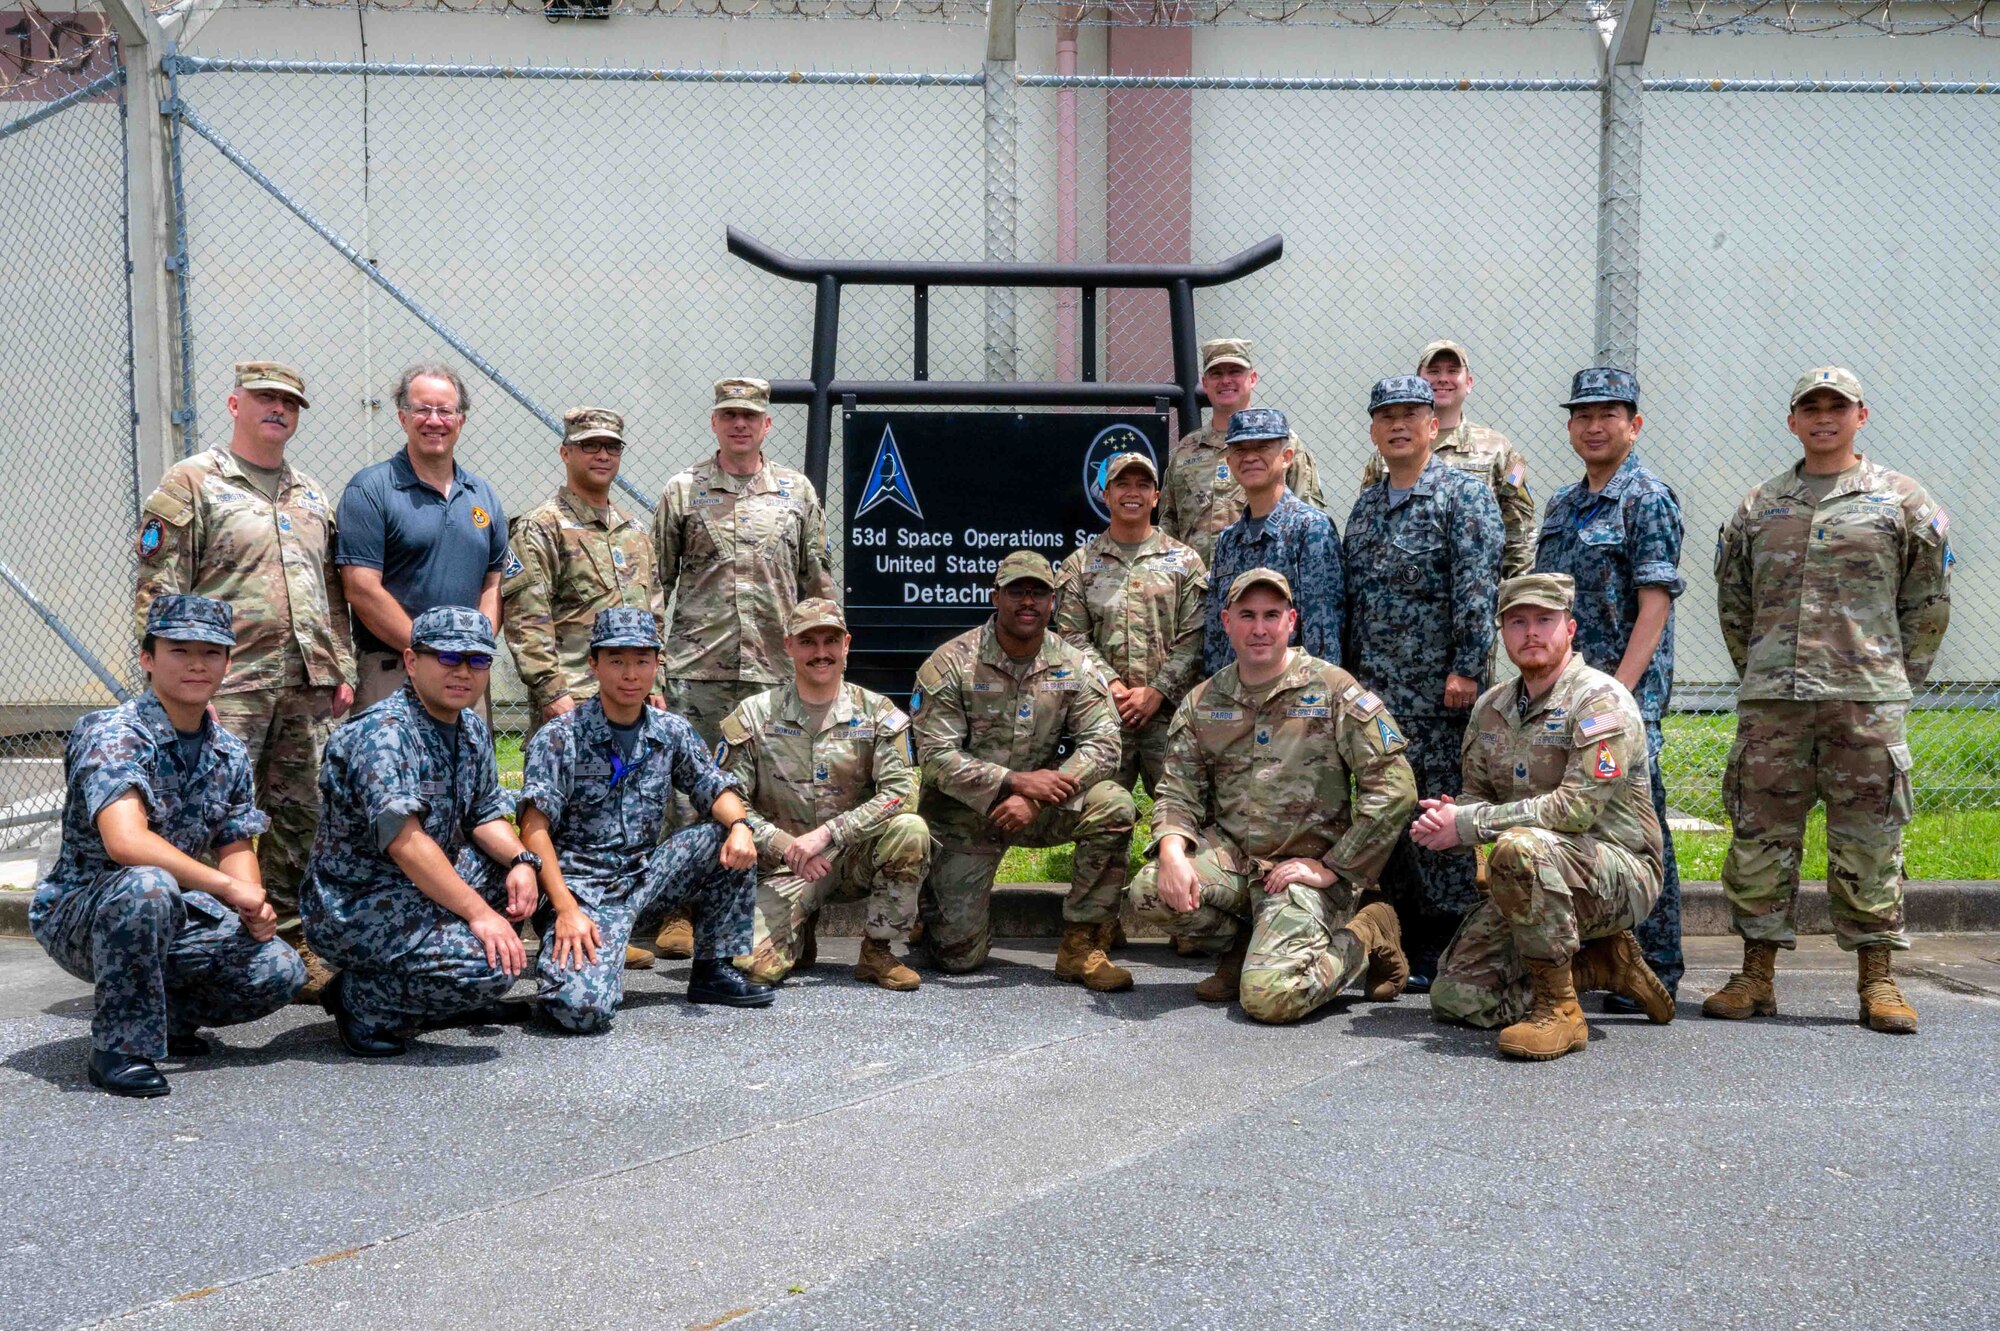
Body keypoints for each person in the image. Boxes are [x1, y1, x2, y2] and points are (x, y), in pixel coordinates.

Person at [1706, 367, 1952, 1034]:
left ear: (1860, 416)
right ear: (1792, 421)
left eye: (1836, 407)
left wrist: (1895, 676)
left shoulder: (1899, 501)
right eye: (1809, 408)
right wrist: (1763, 668)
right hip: (1774, 704)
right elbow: (1735, 600)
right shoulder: (1759, 506)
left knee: (1870, 841)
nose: (1823, 417)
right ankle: (1756, 975)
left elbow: (1927, 602)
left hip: (1863, 701)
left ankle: (1879, 980)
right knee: (1759, 840)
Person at [132, 360, 353, 996]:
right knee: (207, 814)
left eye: (289, 403)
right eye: (265, 399)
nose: (277, 410)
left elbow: (330, 590)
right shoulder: (194, 483)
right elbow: (158, 588)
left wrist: (336, 662)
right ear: (234, 404)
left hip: (304, 681)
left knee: (299, 813)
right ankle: (198, 943)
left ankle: (288, 936)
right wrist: (173, 683)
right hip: (225, 681)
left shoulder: (310, 494)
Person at [30, 596, 304, 1097]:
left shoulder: (228, 751)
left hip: (168, 905)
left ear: (227, 662)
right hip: (84, 910)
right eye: (179, 650)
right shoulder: (113, 733)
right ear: (148, 659)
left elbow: (234, 840)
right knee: (147, 885)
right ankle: (120, 1048)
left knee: (279, 969)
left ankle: (162, 1019)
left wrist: (253, 903)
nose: (197, 664)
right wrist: (224, 887)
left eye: (211, 652)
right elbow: (126, 842)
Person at [1128, 569, 1416, 1021]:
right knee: (1149, 891)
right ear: (1226, 621)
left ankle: (1368, 932)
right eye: (1247, 615)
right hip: (1236, 864)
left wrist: (1335, 867)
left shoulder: (1333, 689)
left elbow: (1395, 786)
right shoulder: (1204, 700)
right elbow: (1177, 791)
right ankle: (1247, 946)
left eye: (1271, 615)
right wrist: (1171, 850)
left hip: (1304, 871)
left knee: (1270, 998)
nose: (1259, 628)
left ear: (1291, 621)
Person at [1424, 574, 1674, 1061]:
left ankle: (1559, 1009)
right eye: (1518, 622)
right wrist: (1447, 825)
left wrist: (1472, 822)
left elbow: (1575, 809)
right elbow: (1477, 799)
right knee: (1457, 999)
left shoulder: (1600, 701)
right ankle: (1600, 966)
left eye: (1544, 620)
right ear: (1503, 633)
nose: (1531, 632)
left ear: (1571, 628)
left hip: (1619, 872)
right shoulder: (1491, 708)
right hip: (1535, 876)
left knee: (1520, 845)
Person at [514, 609, 772, 1033]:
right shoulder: (560, 737)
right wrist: (564, 910)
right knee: (579, 1011)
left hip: (644, 877)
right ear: (594, 664)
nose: (630, 674)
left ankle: (713, 970)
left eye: (641, 661)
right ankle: (575, 970)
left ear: (657, 664)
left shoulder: (670, 730)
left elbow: (713, 786)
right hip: (583, 890)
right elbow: (533, 830)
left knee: (728, 831)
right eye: (616, 660)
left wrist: (742, 828)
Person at [651, 376, 837, 958]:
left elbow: (818, 584)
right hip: (697, 671)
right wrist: (654, 667)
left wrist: (824, 662)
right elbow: (654, 583)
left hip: (776, 673)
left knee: (775, 798)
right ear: (714, 422)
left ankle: (773, 912)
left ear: (766, 425)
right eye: (729, 415)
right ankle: (682, 910)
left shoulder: (796, 493)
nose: (739, 424)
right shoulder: (682, 491)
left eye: (750, 416)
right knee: (689, 796)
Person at [302, 606, 539, 1057]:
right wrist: (479, 915)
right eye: (448, 658)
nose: (464, 672)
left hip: (420, 883)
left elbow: (485, 815)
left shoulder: (468, 726)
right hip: (358, 902)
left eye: (478, 660)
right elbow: (405, 842)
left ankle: (447, 997)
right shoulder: (384, 735)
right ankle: (360, 1000)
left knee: (531, 873)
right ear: (412, 662)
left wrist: (522, 861)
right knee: (487, 968)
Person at [1342, 375, 1504, 990]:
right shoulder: (1367, 504)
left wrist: (1467, 667)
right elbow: (1356, 600)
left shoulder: (1462, 495)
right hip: (1377, 696)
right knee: (1388, 812)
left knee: (1438, 814)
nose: (1399, 425)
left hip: (1439, 695)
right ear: (1375, 430)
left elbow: (1476, 588)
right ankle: (1401, 930)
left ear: (1435, 425)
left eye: (1413, 413)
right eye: (1387, 416)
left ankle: (1450, 938)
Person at [909, 551, 1136, 991]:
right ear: (996, 597)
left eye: (1038, 593)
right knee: (957, 958)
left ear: (1053, 602)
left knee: (1113, 805)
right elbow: (935, 757)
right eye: (1017, 591)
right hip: (966, 815)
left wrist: (1033, 796)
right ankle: (938, 912)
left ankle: (1081, 943)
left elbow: (1105, 743)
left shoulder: (1073, 664)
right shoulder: (951, 663)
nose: (1027, 601)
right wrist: (1011, 782)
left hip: (1040, 806)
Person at [1533, 367, 1687, 1008]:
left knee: (1637, 822)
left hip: (1623, 699)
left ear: (1635, 425)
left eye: (1609, 415)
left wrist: (1618, 697)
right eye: (1583, 416)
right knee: (1576, 819)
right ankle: (1600, 950)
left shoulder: (1646, 497)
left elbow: (1655, 606)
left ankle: (1658, 961)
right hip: (1564, 697)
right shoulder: (1564, 505)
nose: (1595, 426)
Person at [500, 406, 665, 972]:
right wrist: (552, 693)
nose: (601, 455)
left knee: (613, 819)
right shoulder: (541, 526)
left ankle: (608, 921)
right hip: (571, 696)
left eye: (611, 447)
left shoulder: (633, 531)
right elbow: (526, 615)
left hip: (627, 700)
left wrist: (655, 684)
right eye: (590, 446)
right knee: (557, 819)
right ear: (566, 452)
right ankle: (553, 925)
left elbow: (652, 613)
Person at [723, 599, 930, 991]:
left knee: (910, 828)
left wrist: (830, 833)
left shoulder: (876, 712)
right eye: (808, 642)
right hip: (786, 864)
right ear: (788, 646)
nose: (821, 653)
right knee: (751, 966)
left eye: (830, 640)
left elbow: (901, 792)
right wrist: (783, 844)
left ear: (847, 644)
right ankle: (801, 932)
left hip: (854, 855)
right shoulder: (754, 715)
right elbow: (730, 799)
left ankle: (877, 951)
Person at [336, 363, 510, 711]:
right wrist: (429, 650)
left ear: (460, 420)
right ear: (402, 417)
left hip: (465, 677)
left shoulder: (483, 496)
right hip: (395, 671)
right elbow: (361, 587)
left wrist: (472, 648)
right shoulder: (371, 489)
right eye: (422, 409)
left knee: (467, 766)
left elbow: (494, 583)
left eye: (445, 411)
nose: (434, 421)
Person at [1052, 451, 1209, 797]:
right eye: (1121, 484)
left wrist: (1157, 692)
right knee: (1101, 811)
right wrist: (1111, 686)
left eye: (1143, 485)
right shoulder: (1080, 565)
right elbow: (1072, 637)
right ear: (1105, 495)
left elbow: (1195, 636)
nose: (1132, 493)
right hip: (1104, 714)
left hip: (1171, 713)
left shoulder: (1185, 562)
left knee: (1186, 811)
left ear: (1156, 498)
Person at [1362, 339, 1535, 577]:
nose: (1443, 378)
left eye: (1453, 371)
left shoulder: (1500, 450)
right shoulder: (1385, 454)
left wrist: (1514, 597)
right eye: (1433, 371)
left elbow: (1520, 533)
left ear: (1469, 383)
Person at [1158, 338, 1327, 563]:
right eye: (1216, 374)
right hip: (1198, 591)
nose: (1225, 380)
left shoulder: (1284, 443)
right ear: (1205, 383)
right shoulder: (1185, 451)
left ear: (1253, 379)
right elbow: (1169, 524)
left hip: (1263, 587)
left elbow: (1307, 517)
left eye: (1235, 371)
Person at [1202, 408, 1344, 676]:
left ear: (1287, 457)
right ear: (1229, 462)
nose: (1251, 457)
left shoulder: (1311, 529)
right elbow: (1217, 633)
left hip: (1292, 698)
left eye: (1263, 447)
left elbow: (1323, 633)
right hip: (1235, 699)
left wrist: (1317, 704)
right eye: (1241, 450)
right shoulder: (1228, 540)